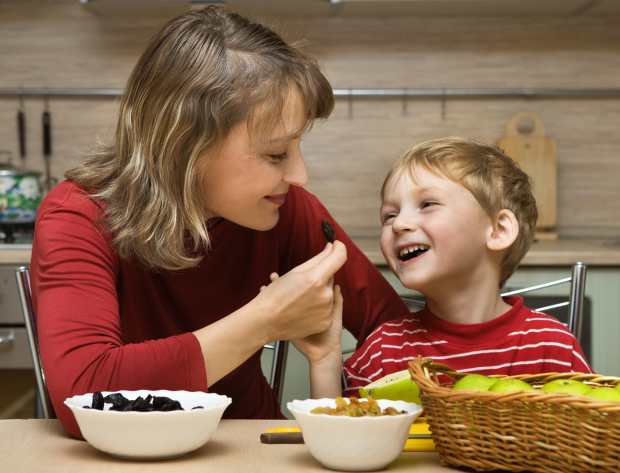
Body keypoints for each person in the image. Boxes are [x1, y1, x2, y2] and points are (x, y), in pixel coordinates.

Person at [30, 6, 409, 438]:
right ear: (184, 147)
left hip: (254, 447)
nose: (299, 175)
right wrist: (264, 320)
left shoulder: (287, 209)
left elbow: (396, 336)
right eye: (275, 153)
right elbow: (85, 393)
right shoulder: (78, 216)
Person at [298, 137, 592, 400]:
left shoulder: (553, 347)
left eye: (427, 204)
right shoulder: (382, 350)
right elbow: (343, 439)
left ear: (498, 230)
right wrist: (324, 361)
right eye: (389, 215)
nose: (399, 224)